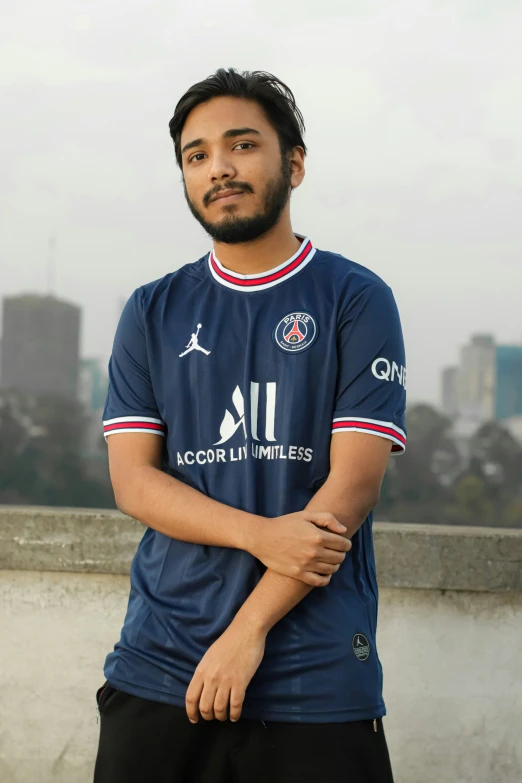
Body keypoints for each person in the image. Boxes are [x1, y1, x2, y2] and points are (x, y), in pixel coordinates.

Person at [94, 68, 407, 783]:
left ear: (293, 163)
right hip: (161, 663)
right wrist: (260, 534)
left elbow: (352, 487)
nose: (219, 168)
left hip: (315, 676)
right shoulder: (151, 310)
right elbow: (133, 481)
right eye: (197, 155)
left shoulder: (355, 298)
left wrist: (248, 628)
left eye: (242, 145)